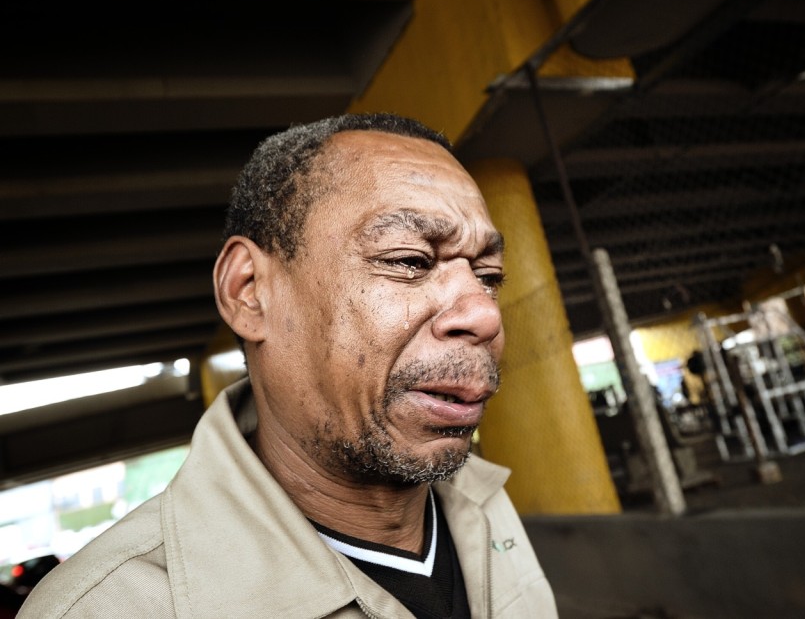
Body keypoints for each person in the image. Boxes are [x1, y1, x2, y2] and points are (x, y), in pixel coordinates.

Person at [20, 114, 558, 618]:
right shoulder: (111, 606)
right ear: (250, 293)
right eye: (409, 261)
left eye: (489, 276)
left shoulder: (482, 505)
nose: (485, 316)